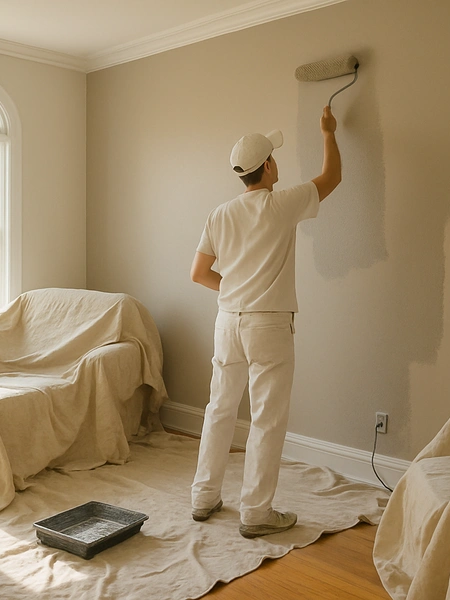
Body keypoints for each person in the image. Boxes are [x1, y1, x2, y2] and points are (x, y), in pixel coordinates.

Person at [189, 105, 342, 538]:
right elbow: (331, 178)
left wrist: (238, 292)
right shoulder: (282, 203)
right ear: (269, 166)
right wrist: (328, 133)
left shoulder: (219, 214)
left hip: (227, 323)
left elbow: (199, 273)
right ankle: (255, 513)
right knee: (266, 418)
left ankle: (204, 497)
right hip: (268, 326)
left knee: (219, 409)